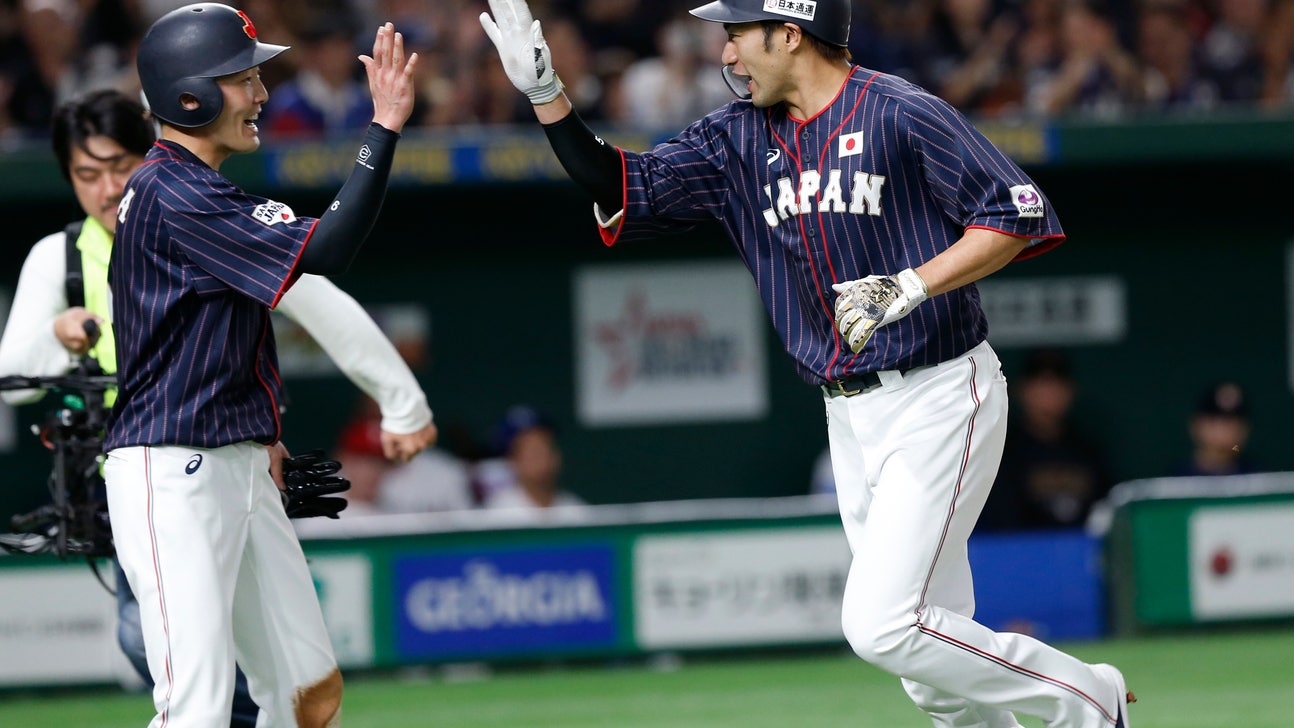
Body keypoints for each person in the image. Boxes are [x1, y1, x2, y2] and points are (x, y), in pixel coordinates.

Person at [480, 0, 1134, 725]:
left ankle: (1088, 699)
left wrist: (913, 283)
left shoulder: (897, 110)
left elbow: (1016, 213)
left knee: (883, 625)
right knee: (928, 667)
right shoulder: (734, 138)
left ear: (789, 32)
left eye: (736, 35)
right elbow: (621, 186)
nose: (725, 56)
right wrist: (548, 96)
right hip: (848, 413)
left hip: (939, 390)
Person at [0, 84, 438, 725]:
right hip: (132, 471)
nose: (106, 188)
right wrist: (56, 337)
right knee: (184, 687)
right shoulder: (68, 253)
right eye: (85, 174)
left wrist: (399, 403)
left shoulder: (191, 201)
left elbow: (318, 295)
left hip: (222, 455)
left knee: (300, 692)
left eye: (119, 167)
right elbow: (16, 372)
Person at [103, 4, 416, 726]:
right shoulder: (174, 193)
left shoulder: (200, 189)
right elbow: (329, 251)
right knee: (198, 710)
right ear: (191, 97)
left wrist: (260, 433)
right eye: (242, 78)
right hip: (172, 471)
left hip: (232, 458)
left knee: (308, 691)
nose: (260, 94)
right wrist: (384, 129)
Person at [979, 348, 1114, 531]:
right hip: (1020, 553)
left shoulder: (1087, 450)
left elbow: (1106, 512)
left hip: (1085, 553)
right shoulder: (1004, 451)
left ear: (1070, 391)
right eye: (1041, 384)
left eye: (1056, 384)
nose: (1049, 394)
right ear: (1022, 390)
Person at [481, 405, 586, 519]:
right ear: (513, 460)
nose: (542, 457)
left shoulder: (575, 510)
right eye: (532, 451)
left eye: (546, 448)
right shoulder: (498, 512)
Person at [1170, 380, 1258, 477]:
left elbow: (1235, 449)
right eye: (1215, 420)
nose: (1224, 430)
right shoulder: (1175, 480)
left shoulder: (1259, 478)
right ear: (1196, 425)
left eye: (1232, 421)